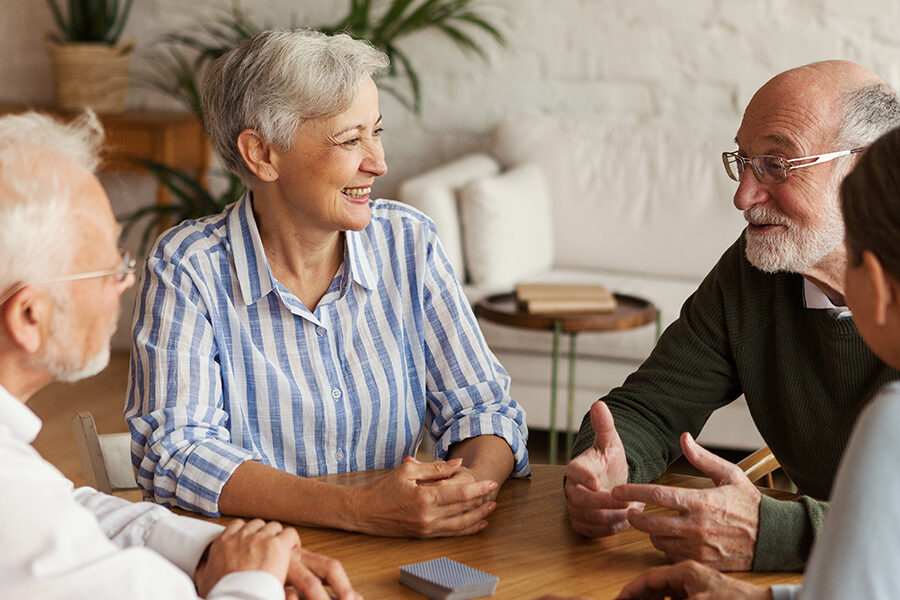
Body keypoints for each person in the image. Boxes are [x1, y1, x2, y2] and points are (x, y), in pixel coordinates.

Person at [126, 28, 529, 538]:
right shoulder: (189, 267)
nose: (378, 162)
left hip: (396, 549)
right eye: (350, 140)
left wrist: (460, 493)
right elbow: (178, 451)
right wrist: (357, 509)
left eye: (376, 132)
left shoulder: (408, 242)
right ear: (262, 154)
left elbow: (484, 410)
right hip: (259, 558)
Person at [0, 111, 359, 599]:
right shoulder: (13, 503)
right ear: (29, 316)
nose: (125, 281)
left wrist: (220, 551)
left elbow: (64, 504)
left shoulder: (23, 488)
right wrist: (248, 581)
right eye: (108, 267)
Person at [565, 59, 900, 572]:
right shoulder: (755, 272)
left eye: (777, 164)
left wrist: (775, 532)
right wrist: (606, 468)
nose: (743, 196)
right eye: (743, 160)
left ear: (862, 168)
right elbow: (649, 409)